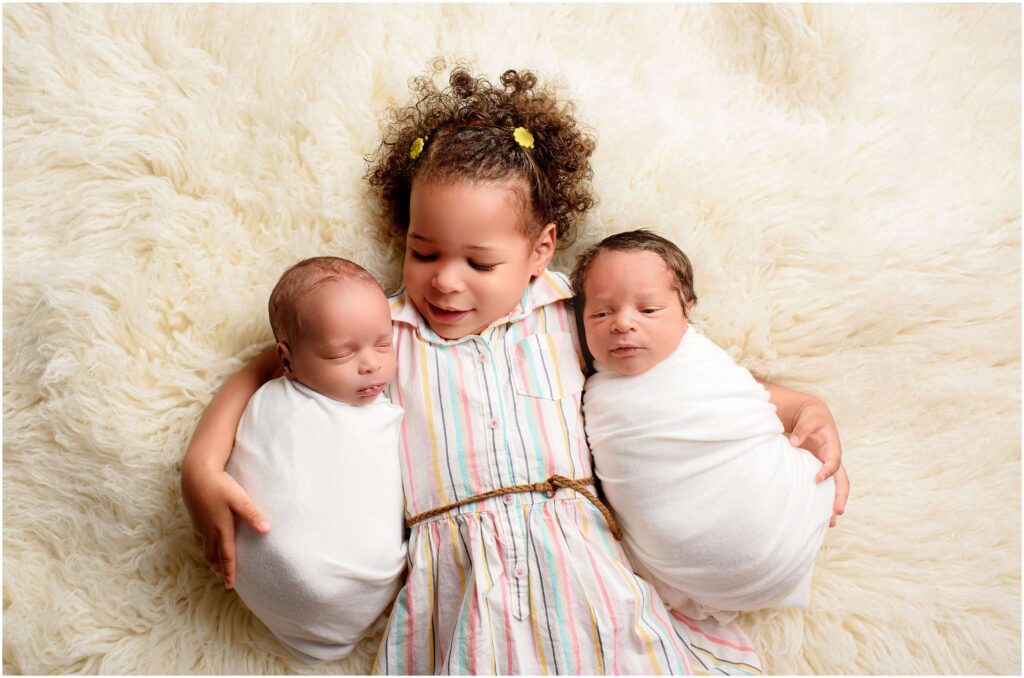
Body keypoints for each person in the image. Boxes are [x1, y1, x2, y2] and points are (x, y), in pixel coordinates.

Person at [182, 65, 848, 674]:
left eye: (479, 263)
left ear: (541, 250)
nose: (444, 283)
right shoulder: (382, 333)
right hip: (460, 584)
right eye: (423, 252)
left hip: (583, 567)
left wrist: (797, 408)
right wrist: (202, 466)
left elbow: (678, 374)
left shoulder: (571, 316)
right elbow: (274, 360)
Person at [571, 229, 848, 625]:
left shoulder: (704, 363)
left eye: (649, 310)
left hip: (787, 527)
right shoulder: (587, 385)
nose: (623, 323)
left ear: (687, 309)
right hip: (683, 576)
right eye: (601, 313)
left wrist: (815, 413)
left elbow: (785, 405)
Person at [223, 256, 406, 661]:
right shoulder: (271, 398)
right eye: (342, 354)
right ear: (287, 360)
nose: (371, 363)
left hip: (358, 591)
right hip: (267, 571)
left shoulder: (386, 412)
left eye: (383, 342)